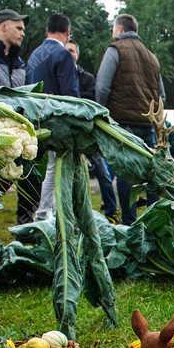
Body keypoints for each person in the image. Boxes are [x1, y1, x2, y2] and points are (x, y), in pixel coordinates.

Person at [95, 13, 165, 225]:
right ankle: (154, 222)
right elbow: (162, 95)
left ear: (119, 29)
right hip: (148, 125)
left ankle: (128, 222)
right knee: (151, 174)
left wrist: (101, 114)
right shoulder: (152, 57)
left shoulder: (115, 49)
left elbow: (102, 86)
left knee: (125, 174)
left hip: (123, 123)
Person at [26, 14, 80, 223]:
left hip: (35, 118)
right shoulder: (63, 55)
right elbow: (70, 95)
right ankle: (49, 212)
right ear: (67, 33)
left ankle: (45, 211)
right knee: (58, 167)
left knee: (46, 167)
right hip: (57, 120)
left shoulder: (34, 55)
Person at [68, 39, 117, 220]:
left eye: (72, 50)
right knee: (68, 176)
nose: (69, 53)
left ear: (77, 54)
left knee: (103, 174)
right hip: (66, 134)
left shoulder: (87, 78)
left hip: (87, 134)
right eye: (67, 50)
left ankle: (111, 210)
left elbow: (92, 102)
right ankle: (71, 212)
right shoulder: (59, 75)